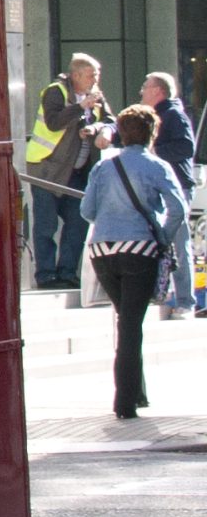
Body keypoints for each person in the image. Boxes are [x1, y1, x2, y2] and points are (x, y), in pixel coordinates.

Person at [84, 104, 182, 419]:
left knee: (126, 320)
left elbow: (87, 211)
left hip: (102, 252)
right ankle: (125, 402)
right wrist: (162, 237)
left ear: (121, 134)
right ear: (152, 133)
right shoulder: (157, 166)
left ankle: (137, 392)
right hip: (139, 250)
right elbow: (178, 209)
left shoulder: (103, 167)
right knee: (130, 325)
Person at [23, 53, 109, 292]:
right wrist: (80, 107)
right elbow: (53, 122)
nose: (95, 79)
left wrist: (96, 128)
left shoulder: (96, 96)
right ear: (76, 75)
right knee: (46, 225)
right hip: (47, 170)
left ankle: (67, 273)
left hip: (77, 172)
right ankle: (46, 275)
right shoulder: (56, 91)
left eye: (97, 75)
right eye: (91, 75)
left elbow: (110, 120)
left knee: (78, 223)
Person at [140, 69, 198, 318]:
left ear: (158, 91)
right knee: (156, 242)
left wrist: (154, 153)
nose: (141, 91)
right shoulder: (150, 115)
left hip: (176, 188)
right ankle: (161, 293)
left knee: (177, 243)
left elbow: (186, 147)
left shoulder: (173, 115)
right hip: (155, 187)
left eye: (146, 86)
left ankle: (185, 301)